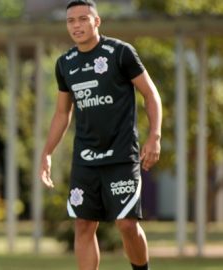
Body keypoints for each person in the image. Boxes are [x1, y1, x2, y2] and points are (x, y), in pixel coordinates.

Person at [39, 1, 162, 270]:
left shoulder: (120, 54)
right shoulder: (65, 64)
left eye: (83, 19)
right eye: (71, 21)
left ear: (97, 22)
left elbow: (150, 94)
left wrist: (155, 136)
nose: (77, 25)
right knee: (83, 224)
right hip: (85, 159)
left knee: (127, 223)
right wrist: (47, 152)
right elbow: (62, 113)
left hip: (121, 155)